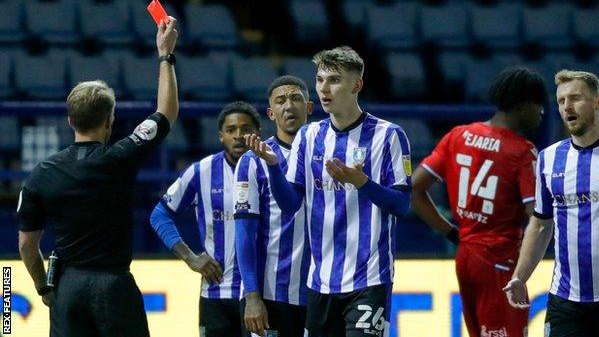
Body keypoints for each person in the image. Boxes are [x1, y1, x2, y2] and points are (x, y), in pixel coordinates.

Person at [16, 17, 179, 336]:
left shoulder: (42, 173)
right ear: (110, 119)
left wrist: (43, 287)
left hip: (68, 288)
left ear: (69, 119)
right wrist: (165, 54)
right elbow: (166, 112)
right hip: (114, 286)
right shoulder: (121, 156)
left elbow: (26, 244)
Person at [245, 46, 411, 337]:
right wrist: (273, 166)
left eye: (334, 80)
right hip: (320, 281)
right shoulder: (309, 136)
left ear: (356, 85)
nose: (324, 88)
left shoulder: (389, 135)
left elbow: (402, 205)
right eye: (320, 80)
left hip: (369, 277)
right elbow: (290, 204)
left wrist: (363, 183)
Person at [411, 66, 547, 337]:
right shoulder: (522, 152)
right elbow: (538, 217)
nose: (542, 112)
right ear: (521, 105)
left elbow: (414, 189)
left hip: (466, 256)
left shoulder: (457, 135)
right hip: (500, 261)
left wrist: (450, 231)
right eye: (538, 105)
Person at [504, 70, 599, 337]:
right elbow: (540, 223)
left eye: (576, 98)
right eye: (560, 101)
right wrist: (520, 277)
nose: (567, 106)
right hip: (565, 301)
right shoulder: (548, 159)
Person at [149, 101, 261, 337]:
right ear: (220, 136)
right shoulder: (202, 171)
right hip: (215, 295)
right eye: (231, 130)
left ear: (258, 133)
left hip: (262, 293)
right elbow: (159, 214)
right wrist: (190, 257)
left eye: (246, 129)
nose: (239, 136)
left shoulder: (271, 169)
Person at [233, 75, 314, 336]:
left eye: (295, 98)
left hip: (324, 291)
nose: (288, 106)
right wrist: (252, 296)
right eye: (280, 101)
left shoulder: (328, 153)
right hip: (273, 294)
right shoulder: (252, 161)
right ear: (271, 113)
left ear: (309, 107)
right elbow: (245, 233)